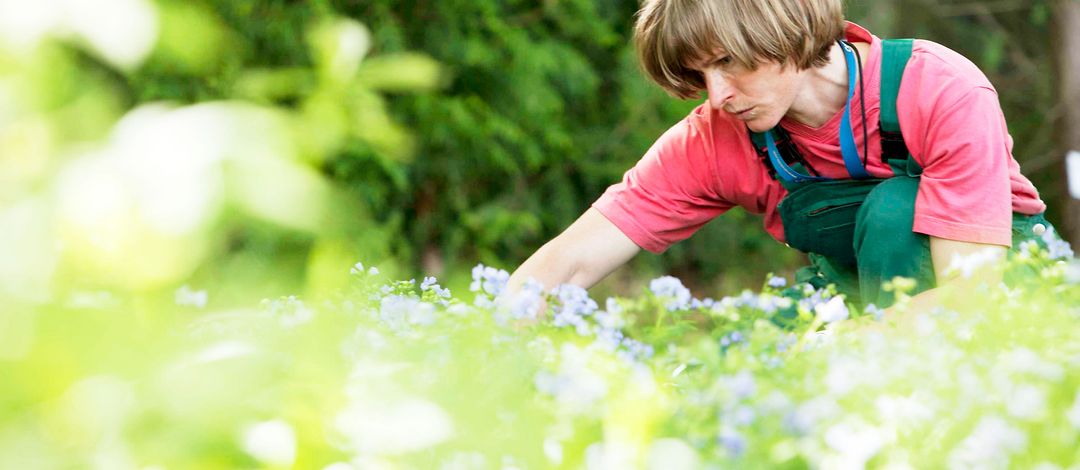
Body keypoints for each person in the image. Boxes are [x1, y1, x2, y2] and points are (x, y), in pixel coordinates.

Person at [507, 0, 1058, 310]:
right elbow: (569, 261)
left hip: (1008, 302)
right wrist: (478, 340)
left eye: (727, 62)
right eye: (699, 76)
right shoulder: (714, 137)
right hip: (858, 305)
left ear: (785, 30)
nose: (717, 95)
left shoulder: (937, 89)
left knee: (895, 212)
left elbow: (972, 299)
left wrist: (849, 362)